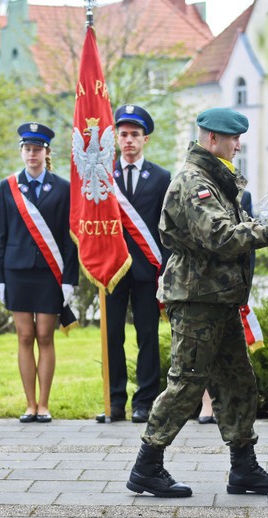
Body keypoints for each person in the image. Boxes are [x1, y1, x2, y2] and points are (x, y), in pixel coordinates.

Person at [126, 108, 268, 498]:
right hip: (197, 299)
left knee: (238, 381)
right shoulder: (194, 184)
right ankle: (147, 465)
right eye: (233, 139)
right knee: (187, 382)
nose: (238, 145)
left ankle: (243, 467)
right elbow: (224, 237)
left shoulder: (216, 180)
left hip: (218, 298)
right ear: (212, 139)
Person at [0, 123, 78, 423]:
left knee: (45, 335)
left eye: (37, 149)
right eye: (27, 149)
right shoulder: (9, 186)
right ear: (22, 152)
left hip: (50, 273)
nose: (32, 154)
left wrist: (69, 279)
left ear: (46, 152)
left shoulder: (63, 187)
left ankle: (44, 404)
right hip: (16, 271)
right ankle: (29, 404)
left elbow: (68, 238)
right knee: (25, 336)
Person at [95, 105, 171, 425]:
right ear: (116, 138)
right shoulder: (101, 176)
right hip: (111, 269)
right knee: (111, 336)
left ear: (145, 139)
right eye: (123, 134)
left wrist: (165, 268)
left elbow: (166, 228)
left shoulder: (161, 177)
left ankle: (145, 401)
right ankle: (114, 401)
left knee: (147, 336)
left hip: (147, 270)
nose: (128, 140)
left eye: (134, 135)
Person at [198, 190, 256, 425]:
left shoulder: (243, 196)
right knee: (200, 353)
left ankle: (234, 417)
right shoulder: (192, 188)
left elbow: (249, 247)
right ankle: (206, 402)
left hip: (230, 285)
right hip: (200, 285)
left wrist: (245, 287)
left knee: (231, 355)